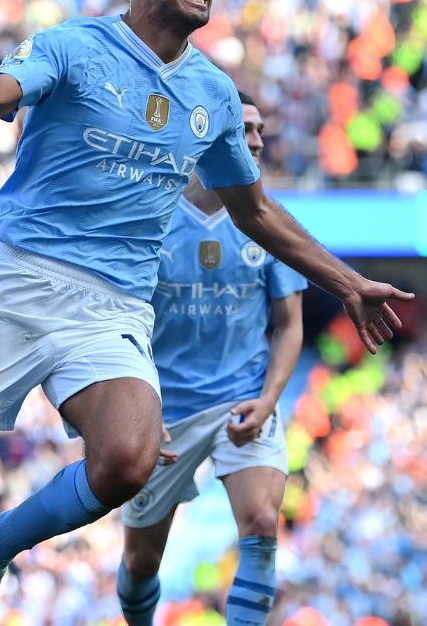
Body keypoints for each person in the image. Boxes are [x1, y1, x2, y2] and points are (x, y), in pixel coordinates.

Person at [0, 0, 412, 624]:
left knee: (126, 461)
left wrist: (351, 284)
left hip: (113, 306)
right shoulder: (75, 46)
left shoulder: (213, 94)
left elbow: (257, 213)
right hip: (19, 283)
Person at [118, 91, 302, 626]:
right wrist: (136, 409)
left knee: (263, 521)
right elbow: (119, 323)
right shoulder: (151, 218)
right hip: (164, 412)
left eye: (260, 129)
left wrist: (269, 400)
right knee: (141, 560)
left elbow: (289, 324)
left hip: (242, 401)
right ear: (209, 137)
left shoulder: (270, 222)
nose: (257, 139)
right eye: (244, 128)